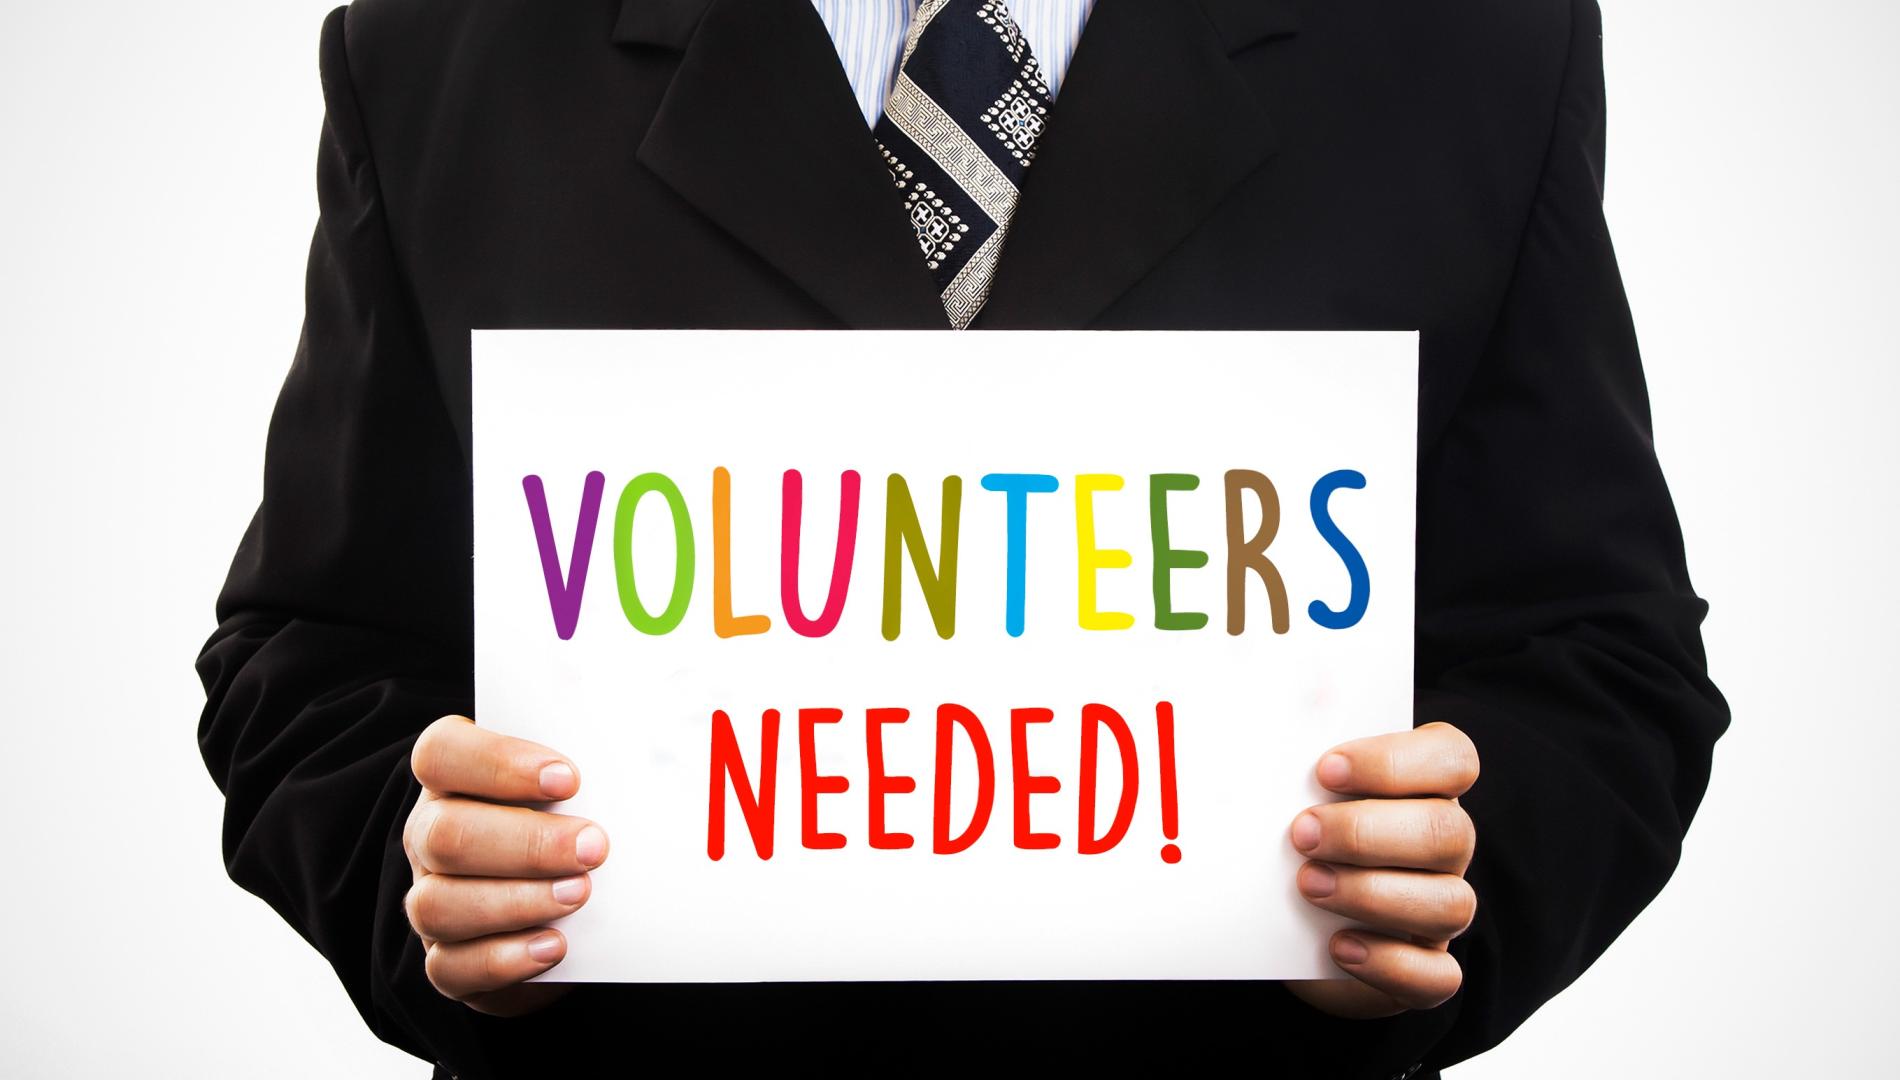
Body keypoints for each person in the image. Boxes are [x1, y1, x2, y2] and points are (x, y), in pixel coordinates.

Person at [196, 0, 1729, 1076]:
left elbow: (1597, 658)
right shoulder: (443, 49)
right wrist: (429, 871)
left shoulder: (1474, 44)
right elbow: (312, 663)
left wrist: (1462, 863)